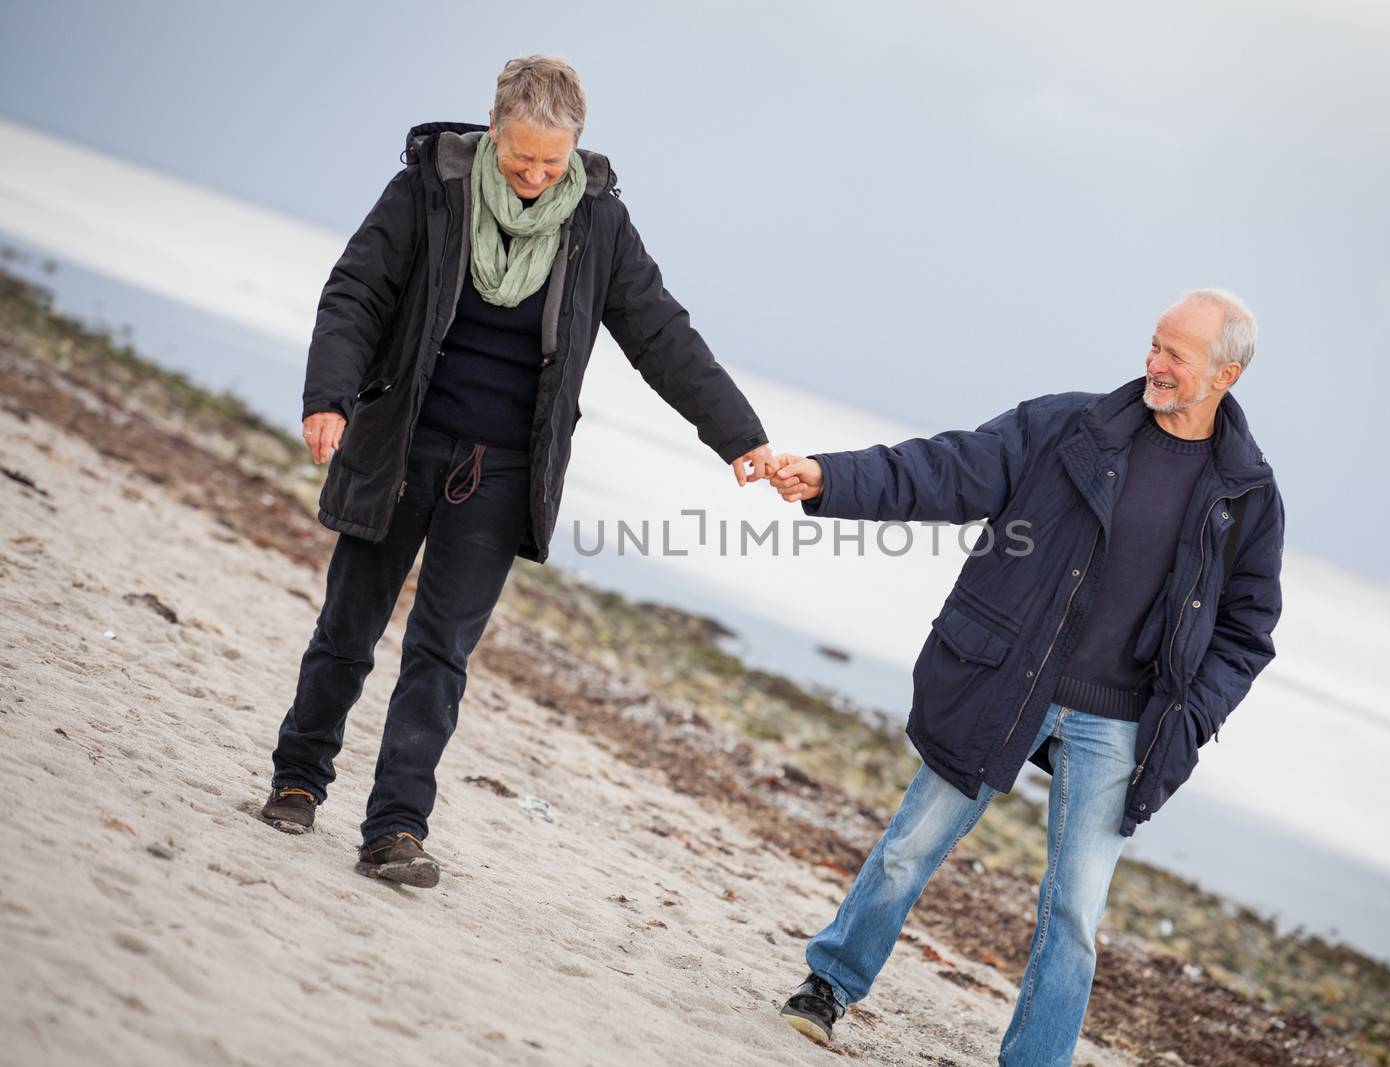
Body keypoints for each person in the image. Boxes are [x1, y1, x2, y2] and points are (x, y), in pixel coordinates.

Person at [259, 55, 776, 888]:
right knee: (348, 628)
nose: (535, 177)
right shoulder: (430, 188)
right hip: (399, 444)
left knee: (441, 654)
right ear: (493, 129)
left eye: (552, 161)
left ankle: (394, 828)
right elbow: (355, 292)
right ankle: (297, 776)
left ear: (576, 146)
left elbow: (662, 336)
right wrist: (328, 397)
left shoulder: (599, 222)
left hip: (503, 473)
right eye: (520, 158)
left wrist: (740, 436)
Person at [766, 290, 1284, 1064]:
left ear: (1226, 374)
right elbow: (945, 469)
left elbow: (1246, 632)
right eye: (1153, 344)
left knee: (1074, 909)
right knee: (912, 845)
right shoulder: (1071, 429)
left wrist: (1190, 718)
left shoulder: (1248, 496)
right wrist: (828, 479)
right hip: (1009, 679)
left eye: (1176, 354)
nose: (1155, 364)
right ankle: (830, 982)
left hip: (1124, 723)